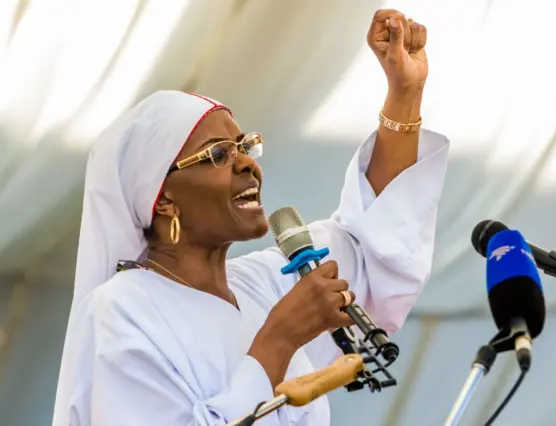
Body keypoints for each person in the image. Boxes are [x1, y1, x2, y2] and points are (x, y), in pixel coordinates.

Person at [52, 9, 449, 426]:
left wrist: (404, 94)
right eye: (220, 154)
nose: (247, 164)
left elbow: (373, 246)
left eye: (245, 145)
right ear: (162, 197)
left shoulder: (266, 283)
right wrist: (279, 339)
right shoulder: (121, 311)